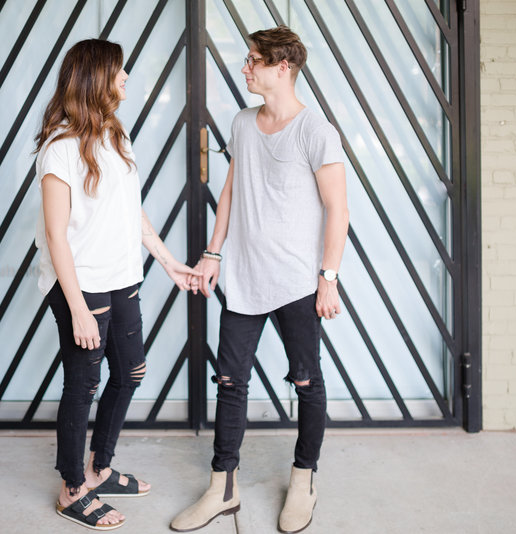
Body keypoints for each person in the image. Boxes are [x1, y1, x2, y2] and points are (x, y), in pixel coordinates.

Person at [170, 26, 349, 533]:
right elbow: (230, 190)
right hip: (245, 280)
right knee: (230, 382)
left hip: (297, 281)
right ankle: (221, 488)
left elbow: (338, 209)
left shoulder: (317, 131)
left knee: (306, 381)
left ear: (282, 67)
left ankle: (303, 479)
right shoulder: (243, 123)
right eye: (247, 59)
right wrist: (212, 253)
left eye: (254, 60)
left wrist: (328, 278)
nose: (245, 68)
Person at [34, 38, 200, 531]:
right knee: (83, 384)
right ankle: (71, 489)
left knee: (130, 373)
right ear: (94, 79)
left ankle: (99, 468)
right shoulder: (59, 149)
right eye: (118, 70)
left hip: (123, 277)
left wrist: (168, 262)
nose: (125, 77)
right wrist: (78, 309)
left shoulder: (115, 137)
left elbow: (131, 213)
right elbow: (56, 236)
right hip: (80, 285)